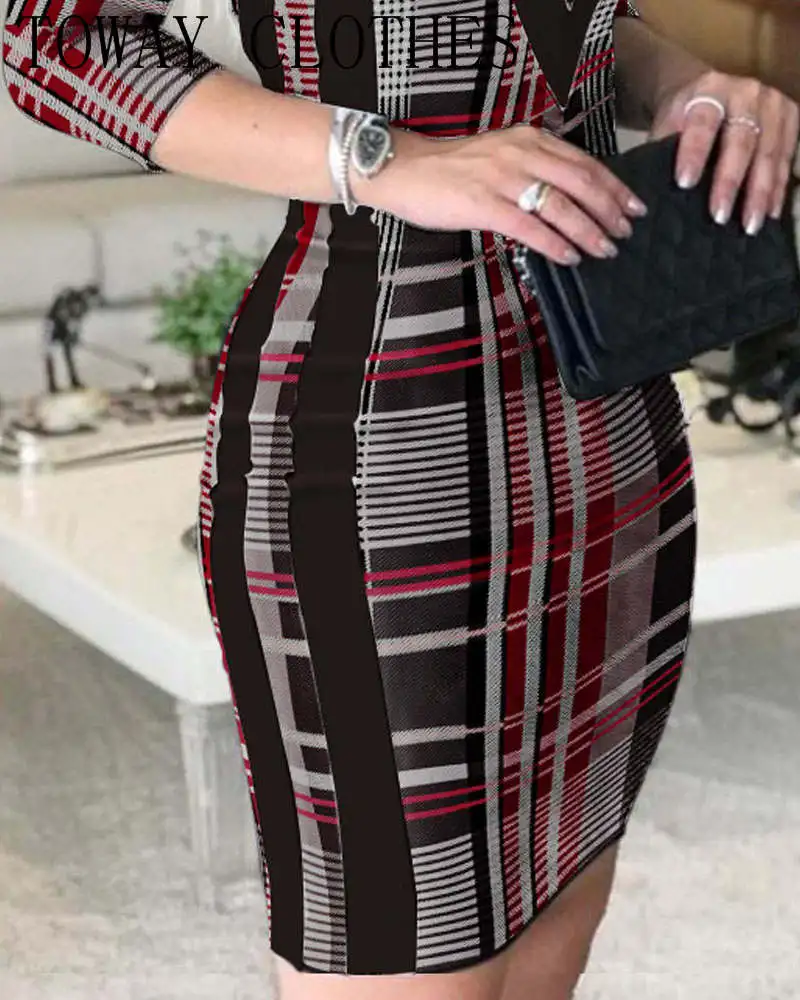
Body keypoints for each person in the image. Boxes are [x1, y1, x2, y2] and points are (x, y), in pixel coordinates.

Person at [4, 2, 798, 998]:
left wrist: (686, 85)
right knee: (400, 935)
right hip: (383, 441)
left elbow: (580, 29)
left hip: (608, 418)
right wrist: (384, 158)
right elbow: (49, 41)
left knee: (556, 906)